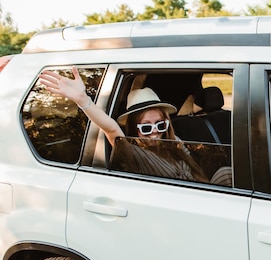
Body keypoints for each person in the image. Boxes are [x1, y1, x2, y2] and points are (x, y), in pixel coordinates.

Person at [38, 67, 208, 182]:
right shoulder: (133, 152)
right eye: (146, 127)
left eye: (160, 125)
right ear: (135, 128)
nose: (155, 132)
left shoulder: (173, 142)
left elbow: (197, 174)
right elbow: (110, 128)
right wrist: (82, 100)